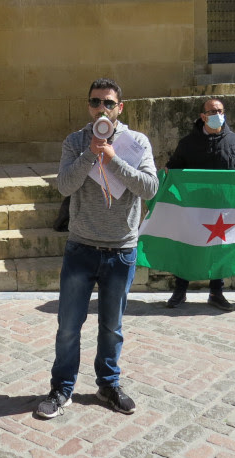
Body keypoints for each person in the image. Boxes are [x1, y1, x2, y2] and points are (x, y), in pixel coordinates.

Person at [35, 78, 158, 419]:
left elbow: (149, 188)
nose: (101, 108)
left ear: (120, 107)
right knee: (69, 325)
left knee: (112, 326)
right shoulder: (75, 142)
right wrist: (91, 154)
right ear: (88, 106)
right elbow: (64, 185)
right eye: (95, 102)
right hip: (82, 247)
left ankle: (108, 385)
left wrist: (115, 159)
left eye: (108, 102)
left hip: (120, 249)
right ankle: (62, 389)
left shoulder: (136, 142)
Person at [165, 97, 235, 311]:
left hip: (223, 210)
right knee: (188, 248)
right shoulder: (188, 143)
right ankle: (180, 291)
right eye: (212, 111)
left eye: (220, 110)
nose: (217, 115)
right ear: (203, 116)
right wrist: (168, 173)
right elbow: (173, 169)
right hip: (194, 209)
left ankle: (216, 293)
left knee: (219, 250)